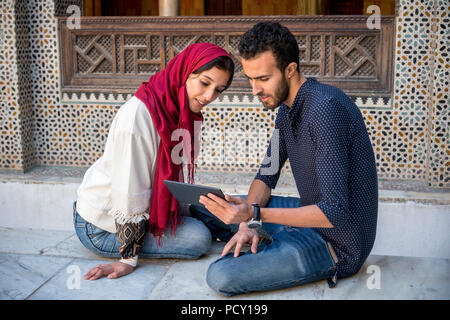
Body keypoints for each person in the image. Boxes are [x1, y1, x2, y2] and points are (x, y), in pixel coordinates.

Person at [191, 22, 378, 296]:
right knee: (207, 206)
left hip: (336, 244)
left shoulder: (325, 109)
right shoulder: (286, 111)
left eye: (263, 79)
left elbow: (334, 212)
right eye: (251, 79)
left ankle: (277, 243)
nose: (254, 89)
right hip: (309, 213)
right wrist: (247, 223)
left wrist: (255, 214)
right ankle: (264, 237)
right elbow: (267, 174)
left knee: (220, 276)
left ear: (290, 70)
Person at [73, 43, 235, 280]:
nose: (210, 96)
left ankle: (253, 227)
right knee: (198, 238)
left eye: (219, 89)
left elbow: (167, 175)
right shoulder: (138, 116)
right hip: (102, 226)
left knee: (216, 206)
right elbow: (128, 190)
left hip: (146, 208)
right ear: (185, 71)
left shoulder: (176, 108)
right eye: (204, 83)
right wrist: (128, 258)